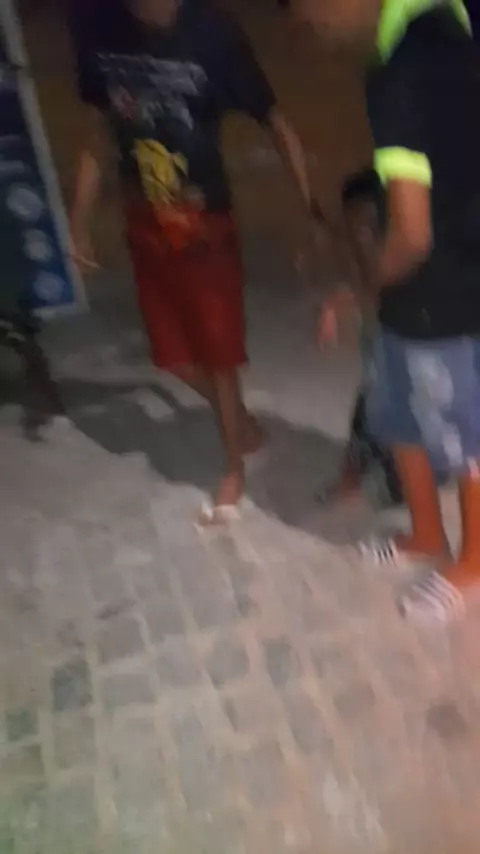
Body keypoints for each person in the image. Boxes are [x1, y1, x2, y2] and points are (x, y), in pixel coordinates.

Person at [69, 0, 314, 524]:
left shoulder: (213, 32)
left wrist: (307, 212)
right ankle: (241, 424)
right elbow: (97, 131)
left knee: (218, 352)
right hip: (143, 218)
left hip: (204, 222)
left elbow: (276, 123)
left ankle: (233, 467)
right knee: (173, 355)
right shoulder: (99, 26)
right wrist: (78, 221)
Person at [298, 0, 480, 624]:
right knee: (399, 417)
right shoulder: (442, 28)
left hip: (444, 290)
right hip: (424, 287)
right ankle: (425, 534)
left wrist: (362, 288)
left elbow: (411, 232)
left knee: (465, 438)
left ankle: (474, 561)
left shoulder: (402, 65)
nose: (305, 20)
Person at [316, 169, 403, 509]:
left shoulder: (401, 257)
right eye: (353, 227)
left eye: (367, 227)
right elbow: (362, 287)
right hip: (379, 357)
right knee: (366, 417)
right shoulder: (359, 252)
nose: (359, 236)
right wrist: (334, 305)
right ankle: (350, 479)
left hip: (406, 359)